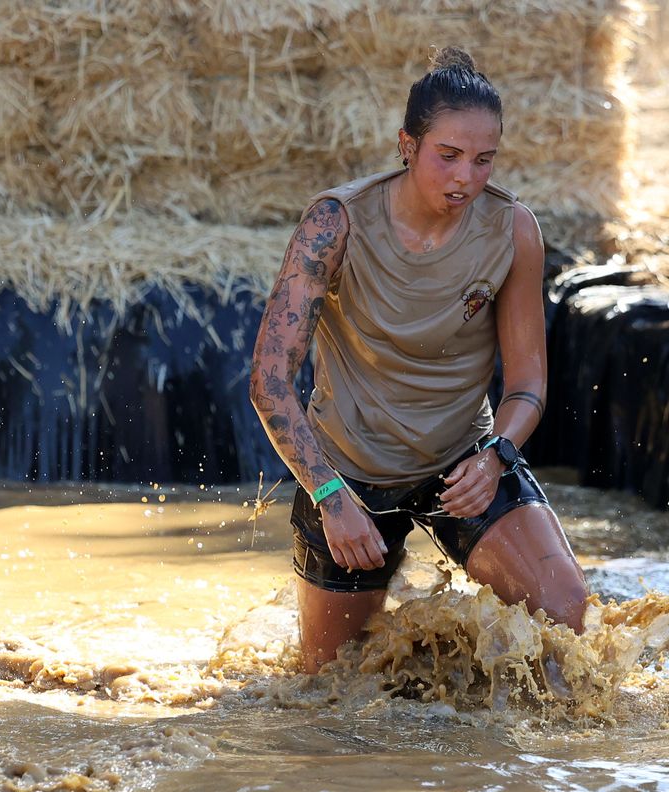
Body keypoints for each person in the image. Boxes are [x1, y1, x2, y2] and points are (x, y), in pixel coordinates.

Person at [248, 47, 590, 674]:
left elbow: (528, 384)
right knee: (331, 687)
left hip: (464, 463)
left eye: (484, 160)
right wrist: (329, 493)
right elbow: (269, 383)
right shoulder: (335, 224)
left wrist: (499, 456)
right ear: (407, 144)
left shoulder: (514, 230)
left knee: (565, 620)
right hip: (348, 474)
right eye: (449, 155)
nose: (465, 178)